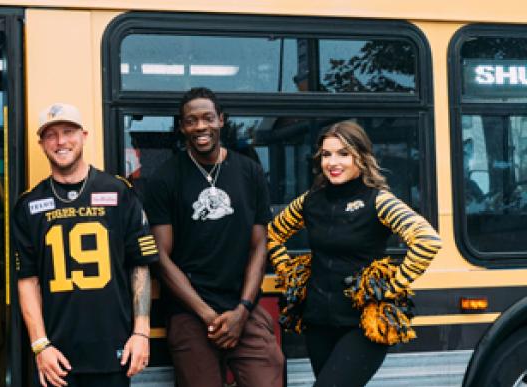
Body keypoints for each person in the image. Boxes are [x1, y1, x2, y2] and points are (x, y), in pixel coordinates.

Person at [267, 121, 441, 387]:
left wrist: (391, 287)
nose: (333, 162)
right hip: (317, 323)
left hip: (363, 325)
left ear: (361, 156)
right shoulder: (310, 201)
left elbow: (427, 240)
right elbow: (273, 234)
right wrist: (290, 275)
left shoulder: (378, 200)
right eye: (326, 154)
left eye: (343, 153)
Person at [141, 87, 284, 386]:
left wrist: (242, 311)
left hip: (242, 305)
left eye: (208, 118)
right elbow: (161, 257)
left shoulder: (251, 172)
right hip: (190, 311)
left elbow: (260, 246)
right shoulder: (164, 179)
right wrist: (207, 315)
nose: (200, 127)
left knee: (269, 373)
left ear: (221, 120)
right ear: (182, 127)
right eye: (191, 121)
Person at [13, 103, 156, 386]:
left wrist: (141, 333)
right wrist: (40, 345)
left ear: (84, 136)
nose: (61, 141)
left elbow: (139, 266)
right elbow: (27, 280)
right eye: (51, 135)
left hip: (114, 350)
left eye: (68, 132)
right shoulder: (28, 205)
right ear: (41, 143)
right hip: (57, 358)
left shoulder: (118, 192)